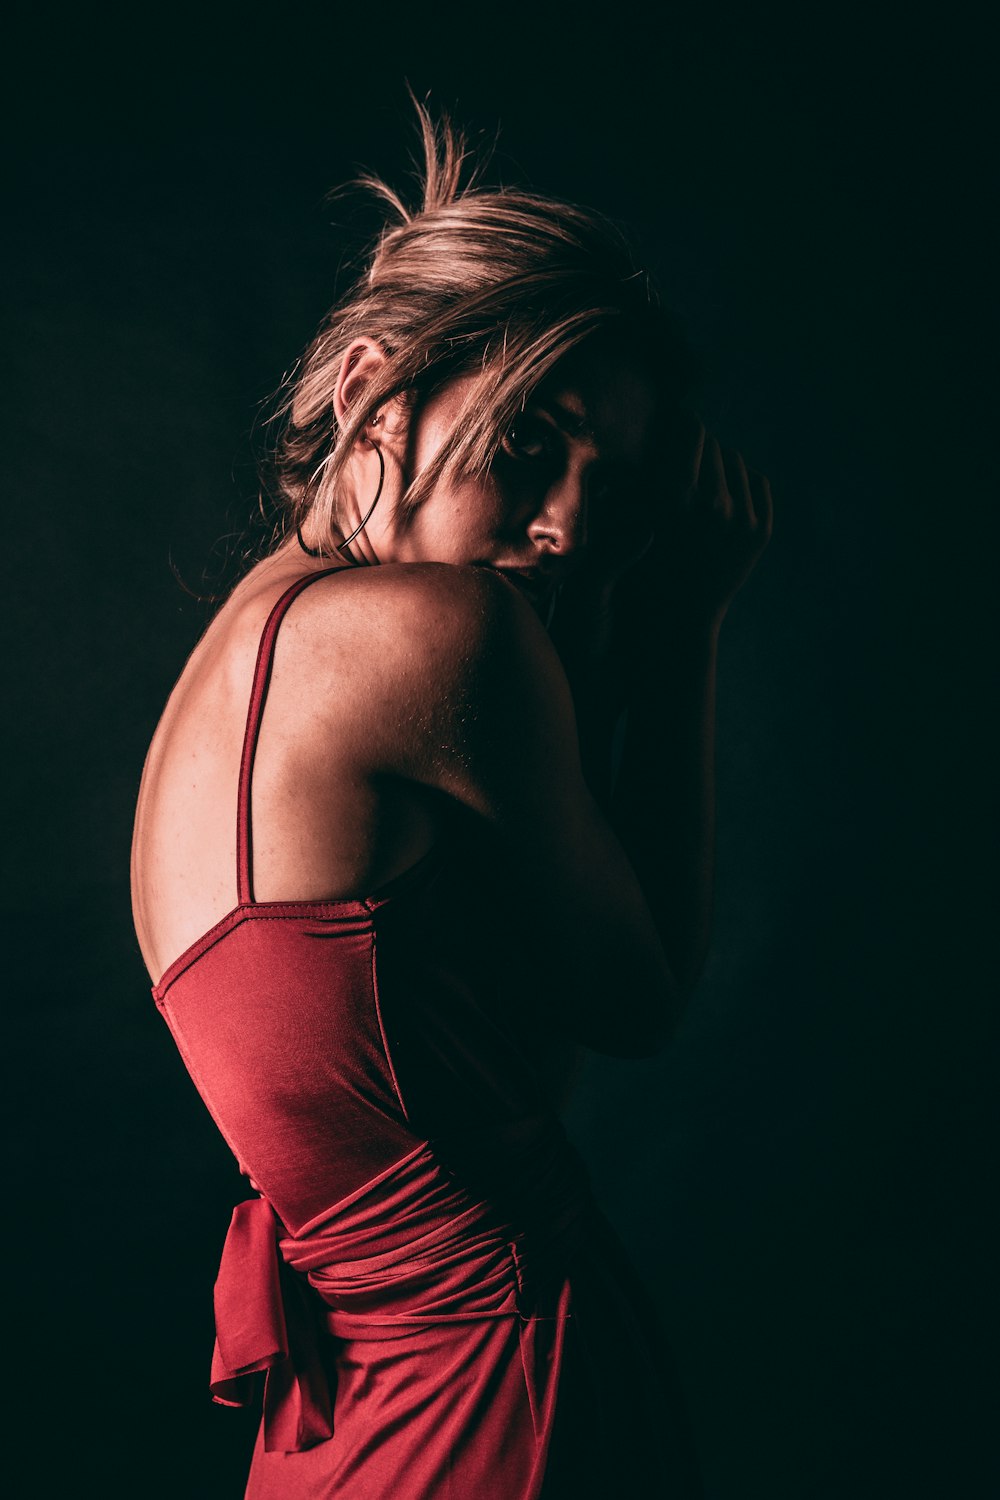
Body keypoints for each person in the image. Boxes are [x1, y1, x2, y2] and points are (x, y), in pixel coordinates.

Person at [131, 101, 772, 1499]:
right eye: (530, 445)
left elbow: (506, 1054)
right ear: (373, 386)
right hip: (496, 1396)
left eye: (613, 486)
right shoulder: (436, 637)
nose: (568, 528)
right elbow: (639, 1001)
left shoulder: (239, 653)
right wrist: (677, 645)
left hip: (335, 1419)